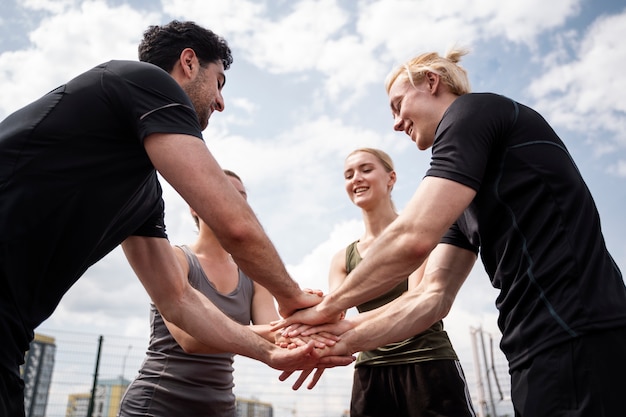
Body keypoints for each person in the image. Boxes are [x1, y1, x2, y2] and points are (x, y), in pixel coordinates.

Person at [0, 20, 352, 417]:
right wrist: (293, 296)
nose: (220, 101)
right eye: (219, 82)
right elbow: (235, 226)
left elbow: (180, 302)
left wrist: (268, 349)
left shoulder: (145, 196)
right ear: (188, 62)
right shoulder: (140, 80)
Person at [277, 49, 626, 416]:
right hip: (530, 345)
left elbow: (413, 237)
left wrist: (328, 309)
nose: (396, 123)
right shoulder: (462, 199)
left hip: (579, 329)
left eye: (398, 105)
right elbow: (430, 297)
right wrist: (338, 340)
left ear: (431, 82)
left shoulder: (473, 112)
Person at [120, 170, 290, 417]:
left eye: (242, 196)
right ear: (194, 207)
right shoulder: (177, 259)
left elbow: (274, 333)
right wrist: (285, 330)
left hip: (219, 408)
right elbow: (191, 338)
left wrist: (310, 318)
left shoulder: (253, 274)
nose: (236, 201)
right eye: (225, 192)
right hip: (157, 406)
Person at [329, 148, 475, 416]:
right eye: (349, 174)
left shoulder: (419, 234)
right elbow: (332, 318)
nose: (356, 178)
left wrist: (340, 324)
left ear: (391, 178)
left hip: (427, 363)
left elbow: (417, 299)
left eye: (366, 169)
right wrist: (304, 312)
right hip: (370, 373)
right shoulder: (343, 259)